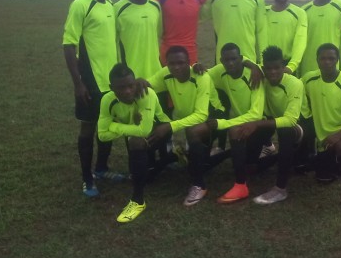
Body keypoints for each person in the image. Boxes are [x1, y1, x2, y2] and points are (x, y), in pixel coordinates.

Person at [62, 0, 124, 197]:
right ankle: (87, 178)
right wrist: (78, 83)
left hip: (111, 82)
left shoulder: (110, 4)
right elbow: (68, 44)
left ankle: (101, 169)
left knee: (106, 126)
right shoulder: (81, 4)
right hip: (89, 81)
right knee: (88, 129)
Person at [144, 46, 227, 206]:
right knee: (155, 126)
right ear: (166, 64)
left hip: (214, 116)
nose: (176, 67)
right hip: (186, 117)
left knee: (193, 132)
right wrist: (140, 83)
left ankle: (199, 185)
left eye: (181, 63)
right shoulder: (166, 73)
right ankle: (156, 165)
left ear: (189, 62)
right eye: (172, 63)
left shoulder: (201, 77)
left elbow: (202, 114)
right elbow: (148, 85)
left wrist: (169, 126)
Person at [97, 64, 170, 223]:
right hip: (136, 132)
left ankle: (138, 201)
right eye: (121, 87)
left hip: (161, 130)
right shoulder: (107, 100)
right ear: (111, 87)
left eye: (131, 86)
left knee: (136, 143)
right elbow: (102, 135)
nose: (128, 91)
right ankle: (173, 157)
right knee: (146, 175)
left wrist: (115, 126)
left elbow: (144, 131)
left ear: (135, 83)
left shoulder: (145, 93)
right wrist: (131, 129)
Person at [234, 46, 304, 205]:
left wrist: (257, 123)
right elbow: (241, 55)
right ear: (263, 67)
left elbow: (291, 120)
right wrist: (254, 67)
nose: (272, 72)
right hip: (273, 119)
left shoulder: (294, 83)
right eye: (268, 68)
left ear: (283, 66)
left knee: (285, 132)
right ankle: (268, 158)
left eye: (277, 68)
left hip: (300, 126)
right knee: (251, 167)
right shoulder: (261, 77)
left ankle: (280, 189)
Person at [301, 43, 341, 214]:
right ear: (317, 60)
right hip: (324, 136)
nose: (327, 62)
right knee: (323, 178)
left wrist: (338, 135)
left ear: (337, 60)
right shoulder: (308, 79)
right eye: (323, 58)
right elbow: (296, 89)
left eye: (331, 58)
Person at [207, 43, 265, 204]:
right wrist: (196, 67)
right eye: (226, 60)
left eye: (234, 59)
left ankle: (241, 185)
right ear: (221, 61)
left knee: (234, 131)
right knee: (249, 165)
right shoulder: (220, 71)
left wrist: (224, 123)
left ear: (241, 59)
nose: (230, 63)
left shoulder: (253, 75)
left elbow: (256, 113)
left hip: (260, 124)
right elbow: (203, 75)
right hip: (242, 122)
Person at [260, 0, 307, 158]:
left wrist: (292, 66)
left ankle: (293, 144)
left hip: (287, 67)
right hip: (267, 66)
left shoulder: (299, 13)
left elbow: (300, 40)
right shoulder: (263, 12)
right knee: (265, 107)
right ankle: (267, 144)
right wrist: (261, 65)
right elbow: (260, 38)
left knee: (290, 109)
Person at [114, 0, 162, 79]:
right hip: (129, 75)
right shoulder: (118, 8)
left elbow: (158, 35)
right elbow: (112, 42)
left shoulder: (156, 6)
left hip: (155, 72)